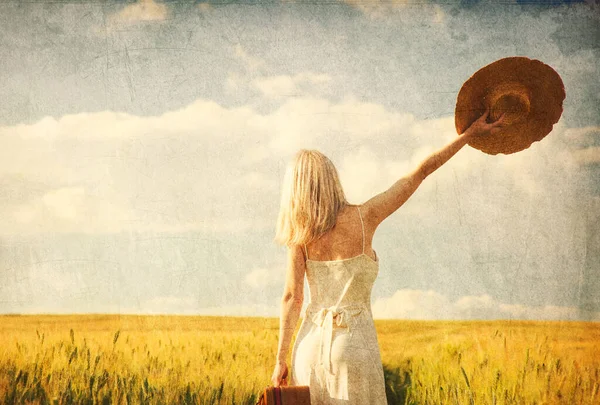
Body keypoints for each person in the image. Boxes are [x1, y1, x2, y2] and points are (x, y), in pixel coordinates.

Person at [270, 109, 505, 404]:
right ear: (331, 179)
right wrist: (469, 135)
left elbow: (293, 298)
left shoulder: (299, 235)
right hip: (352, 346)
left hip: (309, 347)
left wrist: (280, 359)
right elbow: (420, 172)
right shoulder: (365, 216)